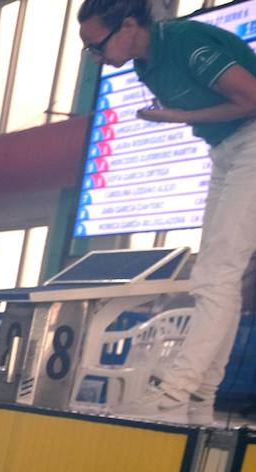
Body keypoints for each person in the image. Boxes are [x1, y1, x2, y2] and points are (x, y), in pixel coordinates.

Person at [78, 0, 256, 425]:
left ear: (129, 26)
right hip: (225, 149)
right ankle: (200, 398)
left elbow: (251, 98)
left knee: (217, 274)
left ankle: (175, 390)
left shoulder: (185, 43)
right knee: (214, 279)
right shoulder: (145, 65)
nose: (98, 59)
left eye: (97, 47)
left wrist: (180, 116)